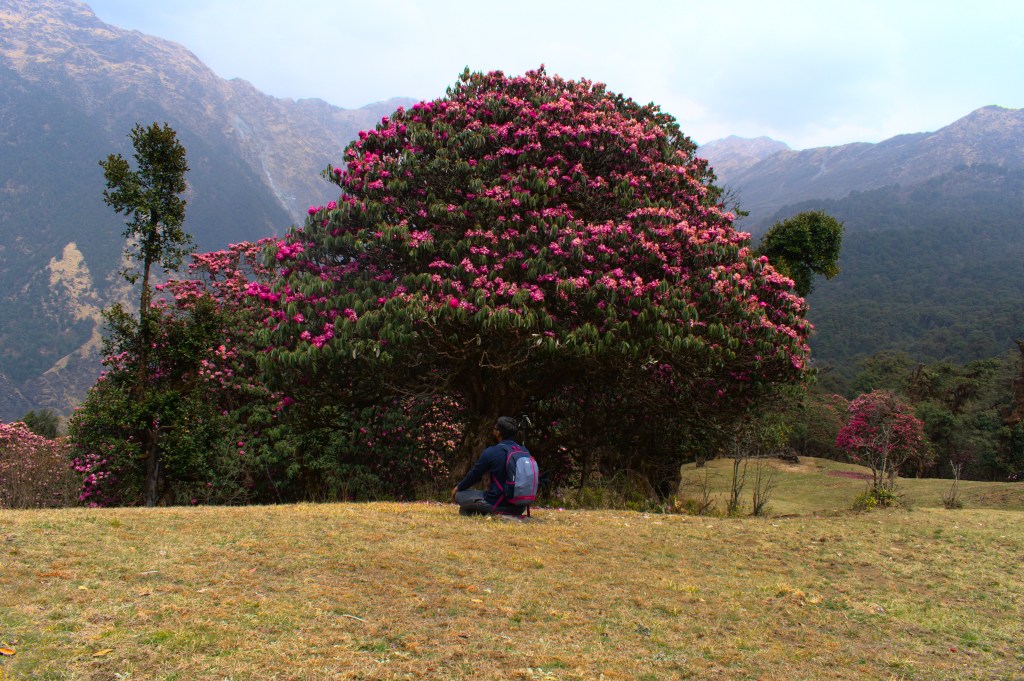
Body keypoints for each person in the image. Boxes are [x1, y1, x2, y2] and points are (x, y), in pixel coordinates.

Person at [452, 416, 529, 516]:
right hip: (520, 506)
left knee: (460, 495)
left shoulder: (492, 452)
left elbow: (474, 475)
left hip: (498, 504)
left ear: (498, 432)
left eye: (495, 427)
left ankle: (478, 511)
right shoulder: (524, 451)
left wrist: (458, 488)